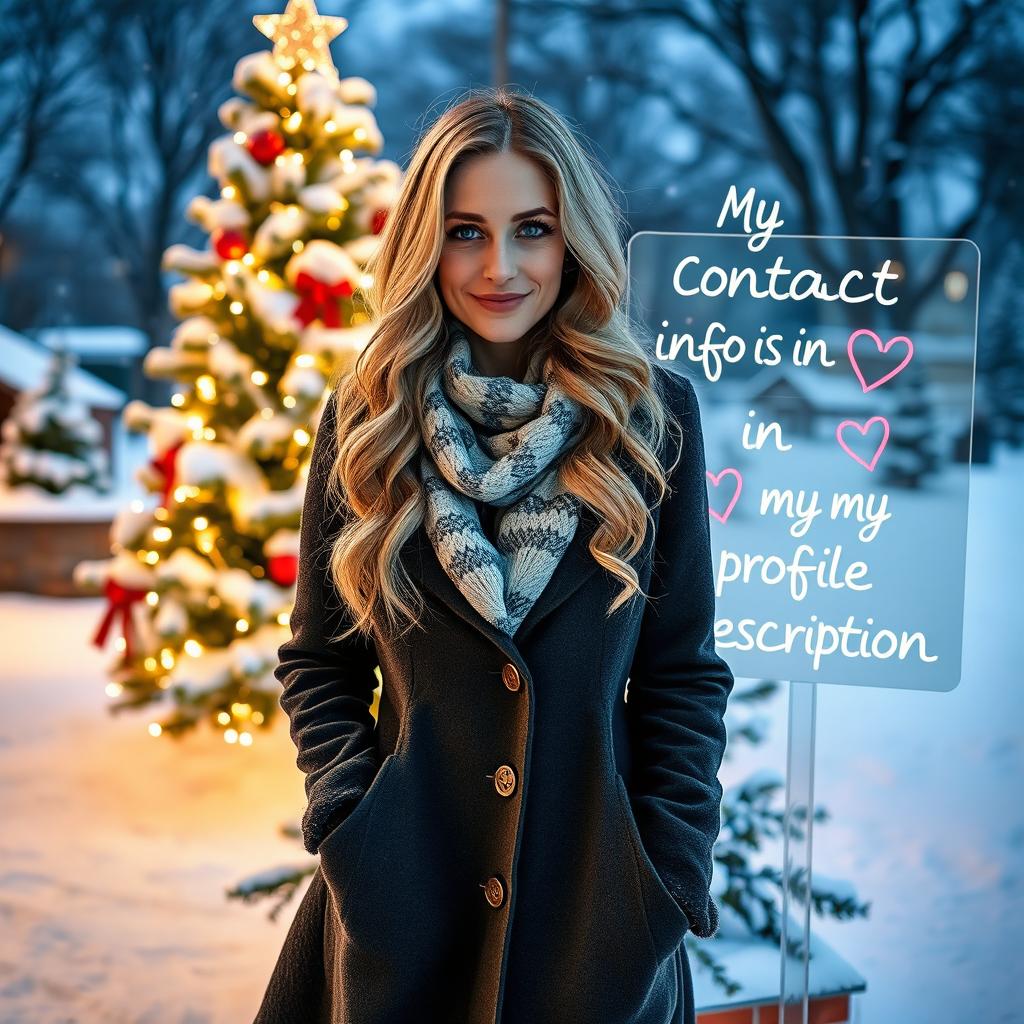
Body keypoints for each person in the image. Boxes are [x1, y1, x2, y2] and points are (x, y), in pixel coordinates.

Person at [253, 85, 735, 1024]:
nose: (500, 266)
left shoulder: (651, 421)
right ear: (424, 243)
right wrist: (354, 825)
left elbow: (683, 673)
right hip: (400, 915)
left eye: (534, 229)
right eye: (466, 231)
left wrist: (667, 872)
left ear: (574, 238)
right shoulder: (367, 422)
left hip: (595, 928)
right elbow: (320, 660)